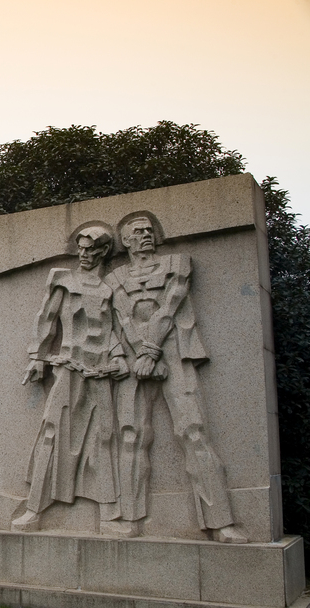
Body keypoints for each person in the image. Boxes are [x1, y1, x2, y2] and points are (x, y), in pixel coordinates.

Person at [105, 213, 246, 543]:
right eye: (137, 232)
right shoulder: (115, 278)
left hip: (172, 351)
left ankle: (220, 521)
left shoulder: (178, 263)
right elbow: (122, 317)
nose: (145, 235)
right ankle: (129, 518)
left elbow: (169, 305)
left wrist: (151, 349)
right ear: (125, 241)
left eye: (149, 230)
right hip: (134, 356)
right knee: (131, 436)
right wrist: (142, 353)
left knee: (193, 431)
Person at [13, 225, 129, 532]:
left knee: (104, 439)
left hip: (101, 373)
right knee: (52, 433)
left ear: (104, 251)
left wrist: (118, 357)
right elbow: (47, 319)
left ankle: (108, 515)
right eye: (81, 248)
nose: (84, 254)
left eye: (91, 249)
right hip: (68, 368)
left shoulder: (110, 289)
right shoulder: (64, 280)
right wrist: (37, 357)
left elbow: (112, 330)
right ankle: (34, 509)